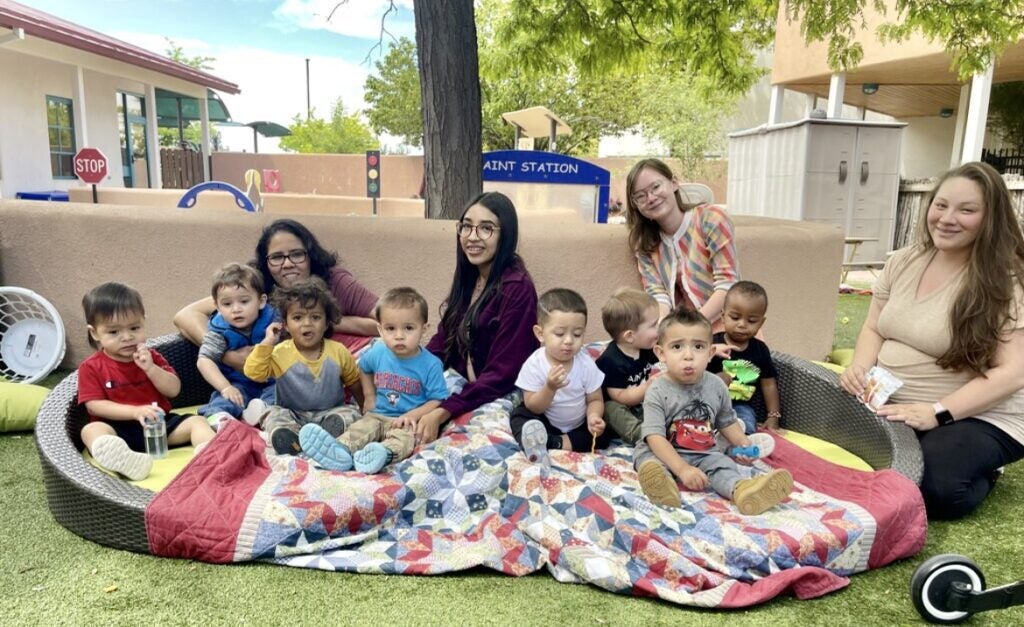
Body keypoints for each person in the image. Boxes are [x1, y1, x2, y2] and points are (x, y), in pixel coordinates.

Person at [839, 162, 1024, 520]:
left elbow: (1014, 372)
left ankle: (985, 466)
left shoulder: (1005, 281)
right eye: (941, 205)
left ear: (990, 219)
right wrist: (860, 368)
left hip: (979, 415)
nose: (947, 218)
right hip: (897, 402)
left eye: (966, 210)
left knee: (935, 488)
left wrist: (937, 412)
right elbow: (874, 327)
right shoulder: (903, 261)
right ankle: (920, 441)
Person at [634, 307, 792, 514]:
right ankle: (663, 488)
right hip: (663, 449)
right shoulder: (657, 389)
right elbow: (654, 437)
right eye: (677, 347)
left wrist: (743, 444)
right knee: (649, 461)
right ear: (661, 354)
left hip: (703, 450)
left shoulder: (716, 385)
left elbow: (726, 421)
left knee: (723, 464)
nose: (688, 356)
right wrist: (682, 469)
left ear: (710, 353)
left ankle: (742, 491)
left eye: (698, 347)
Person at [173, 218, 379, 369]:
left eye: (297, 254)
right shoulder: (257, 288)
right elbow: (185, 315)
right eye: (277, 257)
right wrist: (226, 355)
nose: (288, 264)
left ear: (311, 256)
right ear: (266, 263)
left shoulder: (334, 280)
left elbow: (388, 322)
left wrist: (322, 320)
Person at [419, 191, 539, 444]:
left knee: (469, 447)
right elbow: (444, 338)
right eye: (466, 227)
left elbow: (502, 374)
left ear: (505, 235)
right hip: (467, 389)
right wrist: (413, 371)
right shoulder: (471, 275)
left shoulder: (517, 288)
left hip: (501, 394)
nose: (472, 237)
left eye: (486, 228)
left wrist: (442, 412)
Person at [299, 287, 448, 473]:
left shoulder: (431, 364)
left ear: (424, 329)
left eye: (408, 328)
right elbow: (364, 368)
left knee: (405, 441)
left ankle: (382, 454)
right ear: (380, 329)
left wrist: (414, 415)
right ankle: (339, 451)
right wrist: (369, 396)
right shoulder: (378, 351)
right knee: (360, 429)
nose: (399, 335)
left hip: (406, 422)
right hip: (377, 414)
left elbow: (438, 399)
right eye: (390, 328)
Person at [78, 282, 215, 480]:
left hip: (159, 427)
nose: (127, 337)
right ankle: (124, 459)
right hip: (118, 430)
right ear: (94, 333)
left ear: (144, 321)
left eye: (134, 327)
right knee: (91, 430)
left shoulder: (153, 357)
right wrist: (134, 412)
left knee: (198, 422)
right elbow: (94, 406)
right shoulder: (91, 367)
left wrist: (151, 369)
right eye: (114, 332)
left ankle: (211, 458)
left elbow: (173, 389)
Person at [244, 277, 365, 455]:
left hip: (331, 413)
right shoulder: (278, 352)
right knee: (273, 414)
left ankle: (326, 435)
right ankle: (290, 440)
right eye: (298, 317)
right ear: (285, 324)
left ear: (326, 323)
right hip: (292, 415)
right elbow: (253, 373)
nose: (307, 323)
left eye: (315, 317)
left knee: (351, 414)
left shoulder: (338, 351)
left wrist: (365, 409)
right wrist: (268, 341)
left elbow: (354, 383)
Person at [625, 158, 740, 328]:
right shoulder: (644, 242)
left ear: (674, 183)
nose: (650, 198)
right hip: (683, 336)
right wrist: (663, 328)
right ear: (636, 205)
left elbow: (728, 284)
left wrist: (692, 327)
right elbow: (657, 294)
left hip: (729, 330)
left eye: (656, 187)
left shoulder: (710, 218)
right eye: (640, 196)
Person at [511, 288, 608, 466]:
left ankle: (554, 443)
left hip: (580, 424)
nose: (569, 340)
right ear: (540, 334)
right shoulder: (534, 364)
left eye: (577, 334)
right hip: (545, 421)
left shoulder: (585, 363)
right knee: (518, 416)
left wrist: (593, 417)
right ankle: (537, 441)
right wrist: (550, 388)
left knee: (603, 433)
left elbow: (595, 399)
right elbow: (533, 406)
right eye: (560, 334)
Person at [196, 263, 277, 428]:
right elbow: (204, 361)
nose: (236, 309)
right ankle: (219, 419)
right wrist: (225, 387)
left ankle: (266, 413)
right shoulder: (219, 330)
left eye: (244, 301)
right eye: (227, 304)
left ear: (261, 301)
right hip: (238, 382)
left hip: (271, 380)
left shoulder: (274, 320)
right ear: (217, 307)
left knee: (281, 391)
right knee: (227, 397)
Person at [708, 281, 781, 434]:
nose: (742, 324)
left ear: (761, 322)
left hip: (741, 407)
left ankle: (740, 443)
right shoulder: (712, 343)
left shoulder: (760, 350)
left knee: (747, 421)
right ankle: (712, 436)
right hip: (708, 403)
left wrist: (773, 416)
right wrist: (709, 352)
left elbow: (768, 384)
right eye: (735, 317)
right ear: (723, 316)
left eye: (752, 321)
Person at [595, 287, 661, 444]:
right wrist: (646, 388)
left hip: (637, 405)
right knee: (611, 409)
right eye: (653, 325)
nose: (658, 330)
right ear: (630, 336)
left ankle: (661, 427)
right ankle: (641, 436)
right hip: (617, 408)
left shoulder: (645, 347)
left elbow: (670, 349)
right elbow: (620, 397)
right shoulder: (610, 361)